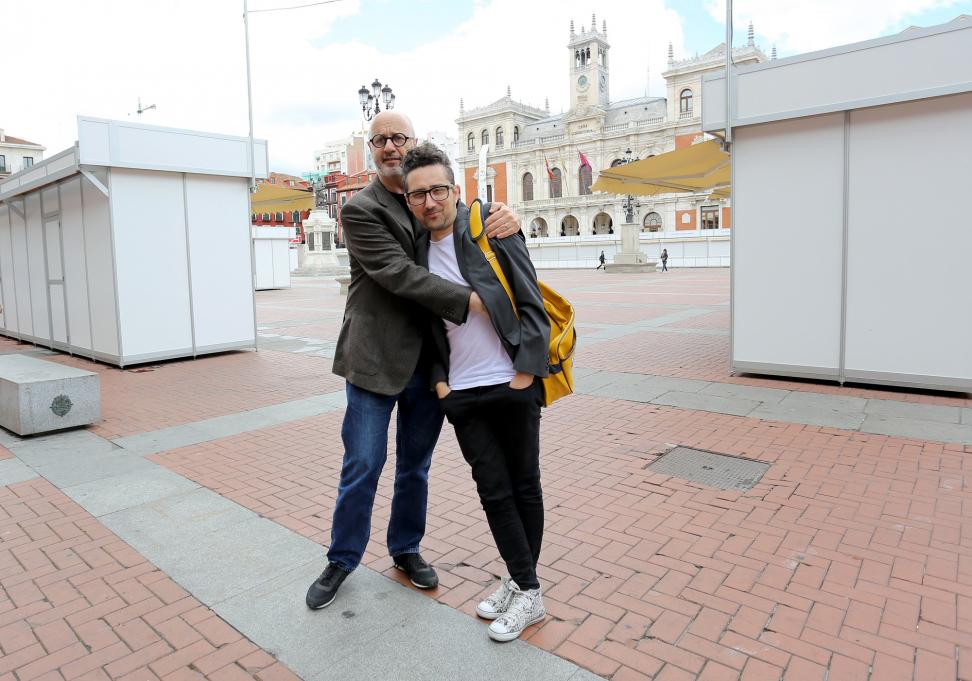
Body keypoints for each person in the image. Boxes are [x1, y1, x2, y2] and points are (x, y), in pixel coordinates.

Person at [305, 112, 521, 610]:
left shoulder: (430, 197)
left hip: (427, 361)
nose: (390, 147)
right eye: (379, 140)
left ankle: (405, 548)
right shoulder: (361, 209)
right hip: (374, 357)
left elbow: (467, 220)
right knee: (363, 463)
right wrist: (473, 302)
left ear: (413, 142)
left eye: (398, 137)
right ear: (371, 149)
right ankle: (342, 558)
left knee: (415, 466)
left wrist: (504, 214)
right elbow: (398, 272)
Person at [403, 142, 550, 642]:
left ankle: (525, 589)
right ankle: (523, 582)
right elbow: (426, 326)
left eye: (438, 190)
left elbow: (531, 300)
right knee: (493, 490)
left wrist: (525, 373)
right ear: (409, 201)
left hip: (511, 381)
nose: (430, 202)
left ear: (454, 189)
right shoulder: (417, 251)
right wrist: (441, 384)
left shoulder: (489, 226)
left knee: (524, 485)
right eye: (418, 194)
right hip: (462, 392)